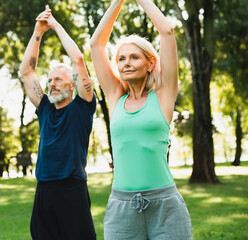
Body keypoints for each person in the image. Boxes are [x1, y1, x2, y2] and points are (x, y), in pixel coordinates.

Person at [90, 0, 193, 239]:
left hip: (165, 206)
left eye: (134, 57)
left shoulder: (163, 96)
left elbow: (166, 32)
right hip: (121, 208)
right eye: (121, 58)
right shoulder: (115, 97)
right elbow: (96, 44)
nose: (126, 63)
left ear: (150, 63)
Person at [19, 5, 96, 240]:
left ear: (72, 84)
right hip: (44, 191)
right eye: (49, 79)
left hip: (72, 190)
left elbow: (78, 60)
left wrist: (55, 25)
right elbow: (26, 72)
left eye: (58, 79)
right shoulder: (44, 109)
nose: (51, 83)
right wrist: (38, 31)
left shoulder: (82, 107)